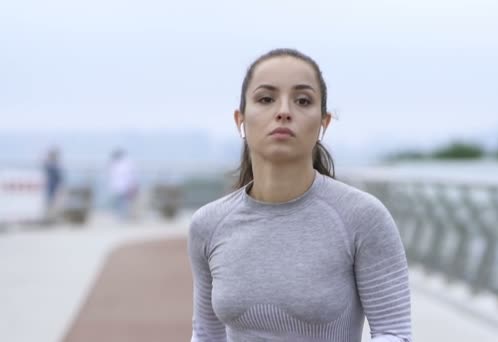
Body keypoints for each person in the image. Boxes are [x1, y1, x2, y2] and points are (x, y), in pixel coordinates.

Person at [188, 49, 412, 342]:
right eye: (266, 99)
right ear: (240, 119)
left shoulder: (362, 216)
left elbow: (394, 333)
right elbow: (205, 334)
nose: (283, 111)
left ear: (323, 122)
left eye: (303, 100)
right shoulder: (208, 224)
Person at [108, 149, 138, 221]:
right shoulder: (115, 164)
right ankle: (121, 216)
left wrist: (132, 185)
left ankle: (123, 216)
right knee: (120, 202)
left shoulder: (126, 164)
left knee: (124, 202)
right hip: (119, 187)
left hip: (124, 186)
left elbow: (131, 175)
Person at [43, 147, 64, 222]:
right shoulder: (53, 166)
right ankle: (50, 219)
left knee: (52, 204)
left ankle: (50, 219)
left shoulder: (52, 166)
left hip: (53, 188)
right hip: (51, 188)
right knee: (51, 204)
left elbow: (59, 179)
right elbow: (60, 178)